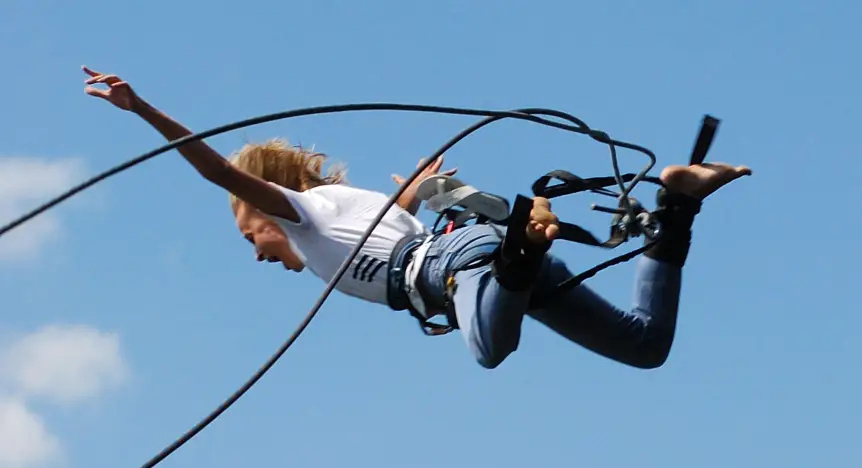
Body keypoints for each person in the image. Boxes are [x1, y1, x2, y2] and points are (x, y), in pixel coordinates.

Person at [82, 65, 751, 370]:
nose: (255, 250)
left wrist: (143, 110)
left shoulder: (303, 216)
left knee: (489, 349)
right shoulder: (357, 210)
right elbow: (407, 208)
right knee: (643, 346)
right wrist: (430, 186)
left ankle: (525, 240)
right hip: (470, 251)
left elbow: (220, 173)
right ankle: (679, 202)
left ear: (265, 207)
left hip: (464, 266)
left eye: (246, 231)